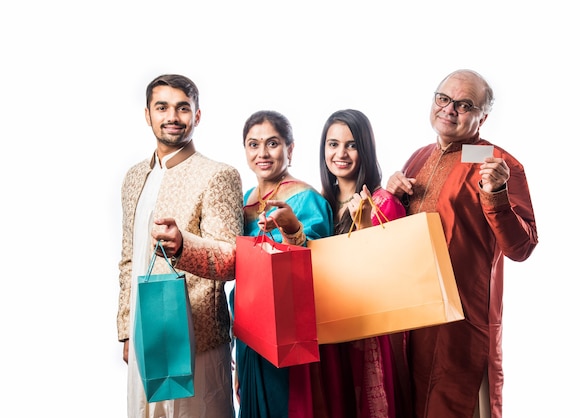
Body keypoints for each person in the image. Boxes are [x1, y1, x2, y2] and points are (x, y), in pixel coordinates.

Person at [386, 69, 538, 417]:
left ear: (483, 116)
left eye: (465, 104)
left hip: (461, 322)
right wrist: (387, 193)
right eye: (444, 99)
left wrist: (496, 194)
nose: (449, 109)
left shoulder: (498, 163)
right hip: (411, 316)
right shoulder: (419, 157)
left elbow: (522, 247)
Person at [116, 74, 243, 418]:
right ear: (148, 115)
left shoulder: (218, 175)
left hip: (196, 340)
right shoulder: (133, 178)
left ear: (197, 116)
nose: (172, 116)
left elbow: (233, 259)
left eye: (182, 108)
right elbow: (128, 258)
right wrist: (127, 331)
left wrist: (184, 245)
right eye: (162, 107)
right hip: (146, 337)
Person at [230, 110, 333, 418]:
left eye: (272, 143)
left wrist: (291, 230)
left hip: (287, 332)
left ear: (290, 148)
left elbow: (316, 265)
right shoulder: (245, 199)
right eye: (253, 144)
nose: (262, 153)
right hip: (249, 332)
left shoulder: (305, 198)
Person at [312, 108, 409, 418]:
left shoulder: (383, 201)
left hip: (368, 335)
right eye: (333, 144)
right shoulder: (319, 204)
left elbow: (390, 277)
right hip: (326, 332)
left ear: (365, 148)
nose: (340, 153)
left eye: (351, 144)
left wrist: (365, 225)